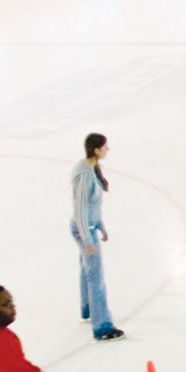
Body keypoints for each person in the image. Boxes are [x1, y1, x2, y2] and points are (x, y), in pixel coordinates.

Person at [71, 132, 123, 342]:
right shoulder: (84, 176)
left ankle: (88, 309)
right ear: (96, 150)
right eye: (105, 147)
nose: (107, 150)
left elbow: (91, 208)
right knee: (96, 277)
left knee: (87, 270)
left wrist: (100, 226)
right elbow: (80, 209)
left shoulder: (91, 169)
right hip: (84, 229)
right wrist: (87, 238)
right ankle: (102, 326)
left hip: (89, 227)